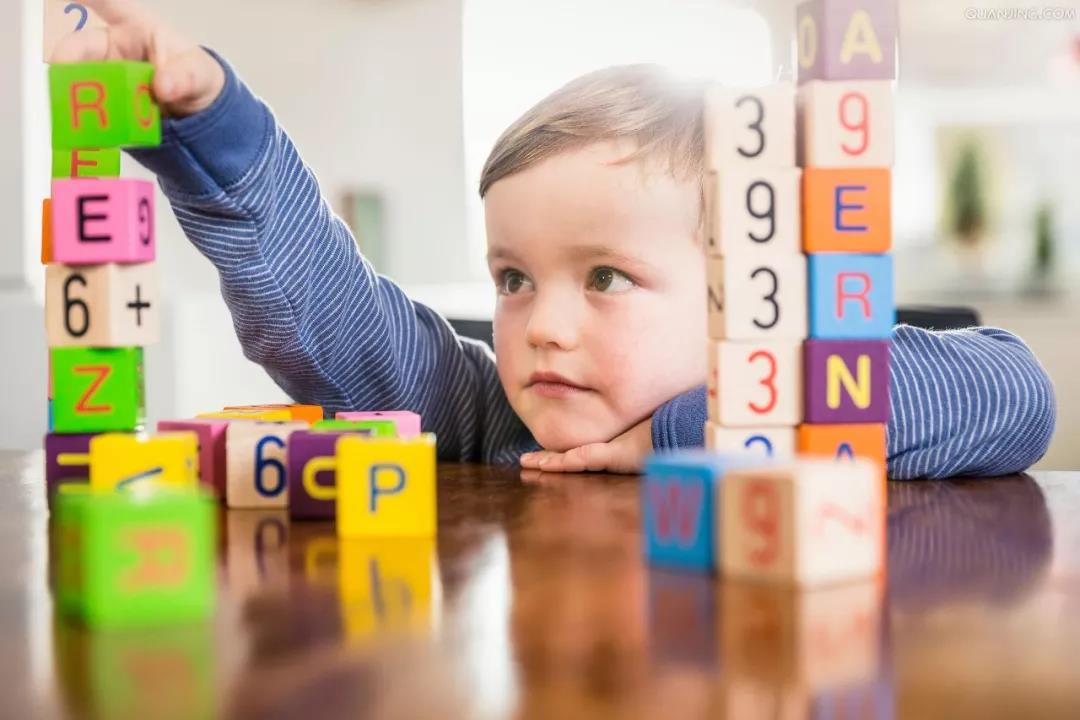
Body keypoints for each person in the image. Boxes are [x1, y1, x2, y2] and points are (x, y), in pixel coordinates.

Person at [52, 0, 1056, 478]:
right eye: (515, 278)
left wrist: (690, 437)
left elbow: (1014, 390)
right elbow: (336, 316)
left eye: (607, 275)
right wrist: (212, 127)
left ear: (743, 294)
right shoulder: (498, 415)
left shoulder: (792, 391)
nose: (543, 328)